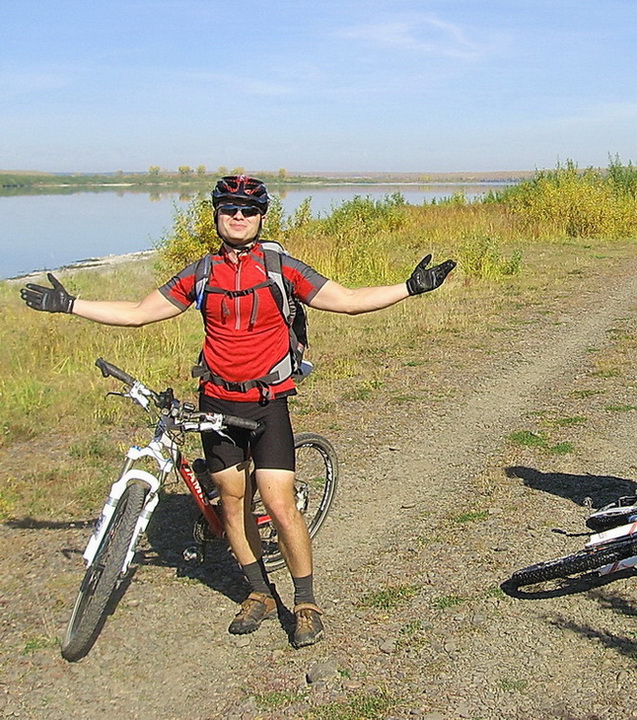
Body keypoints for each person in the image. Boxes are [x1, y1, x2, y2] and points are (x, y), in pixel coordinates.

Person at [20, 175, 456, 649]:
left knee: (278, 504)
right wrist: (70, 304)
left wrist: (410, 288)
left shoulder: (280, 268)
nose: (239, 217)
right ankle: (258, 592)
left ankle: (305, 602)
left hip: (267, 404)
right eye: (230, 209)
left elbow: (347, 301)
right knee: (230, 502)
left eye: (248, 211)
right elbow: (139, 311)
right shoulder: (201, 273)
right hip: (216, 403)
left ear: (261, 217)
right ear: (217, 215)